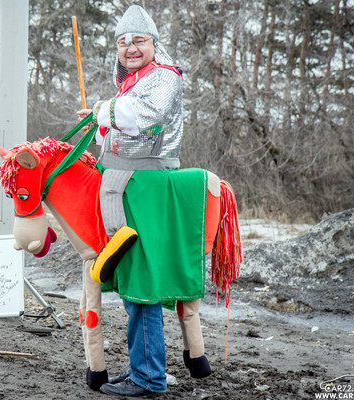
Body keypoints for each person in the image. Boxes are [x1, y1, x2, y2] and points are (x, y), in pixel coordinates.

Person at [76, 5, 212, 397]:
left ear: (154, 43)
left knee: (143, 286)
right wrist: (100, 120)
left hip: (148, 188)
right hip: (128, 185)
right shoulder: (134, 81)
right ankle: (144, 369)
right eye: (122, 42)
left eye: (138, 40)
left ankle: (149, 378)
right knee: (135, 284)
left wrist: (103, 112)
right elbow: (120, 127)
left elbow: (142, 118)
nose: (130, 48)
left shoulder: (164, 78)